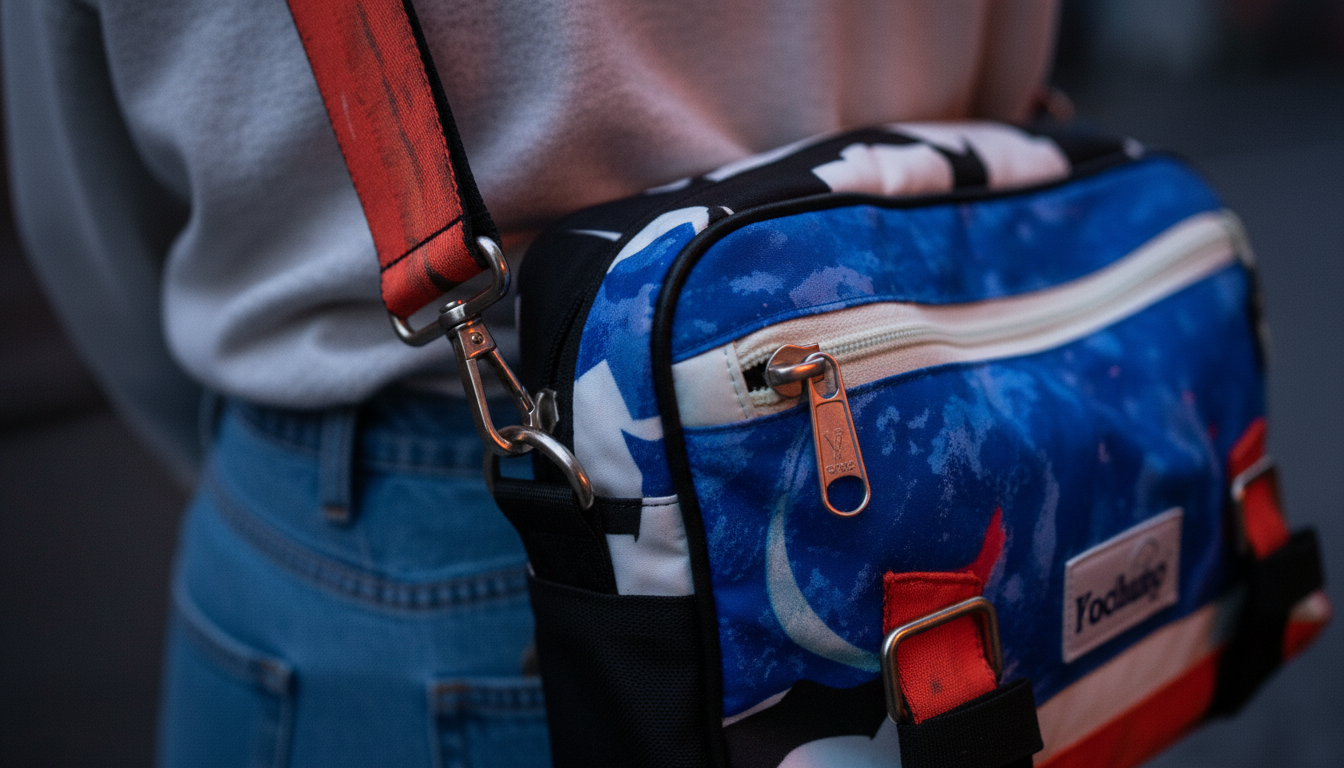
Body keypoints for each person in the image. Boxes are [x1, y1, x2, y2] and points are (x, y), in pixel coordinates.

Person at [2, 1, 1059, 764]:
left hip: (404, 505)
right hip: (935, 423)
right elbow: (1009, 82)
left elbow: (81, 206)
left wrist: (249, 456)